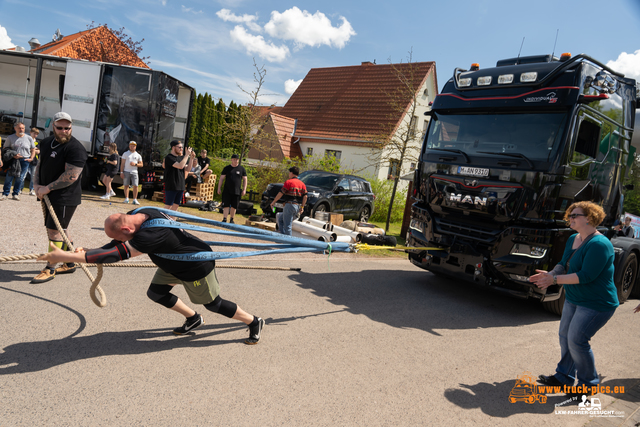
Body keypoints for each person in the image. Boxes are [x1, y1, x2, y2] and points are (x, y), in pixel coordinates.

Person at [37, 207, 265, 344]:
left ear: (127, 229)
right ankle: (193, 318)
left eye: (123, 237)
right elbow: (116, 243)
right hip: (171, 262)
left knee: (214, 305)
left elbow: (117, 254)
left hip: (195, 266)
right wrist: (88, 251)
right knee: (156, 293)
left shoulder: (149, 236)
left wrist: (65, 256)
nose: (122, 239)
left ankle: (254, 321)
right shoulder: (140, 214)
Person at [530, 201, 618, 398]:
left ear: (589, 218)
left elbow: (586, 276)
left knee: (577, 340)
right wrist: (550, 274)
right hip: (574, 298)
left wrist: (553, 279)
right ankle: (564, 377)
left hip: (597, 303)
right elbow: (563, 264)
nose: (570, 218)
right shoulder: (573, 238)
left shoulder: (599, 244)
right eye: (570, 215)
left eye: (574, 215)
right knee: (565, 336)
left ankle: (588, 385)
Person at [31, 112, 88, 283]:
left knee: (54, 231)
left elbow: (71, 176)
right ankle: (70, 262)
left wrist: (47, 188)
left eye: (67, 128)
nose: (64, 131)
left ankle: (51, 268)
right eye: (60, 128)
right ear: (53, 127)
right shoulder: (47, 142)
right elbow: (41, 165)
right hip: (48, 192)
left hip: (64, 196)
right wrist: (36, 185)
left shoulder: (76, 148)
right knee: (62, 229)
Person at [1, 122, 35, 201]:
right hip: (13, 160)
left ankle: (15, 194)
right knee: (9, 177)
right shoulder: (10, 137)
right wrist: (13, 155)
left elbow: (33, 149)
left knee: (20, 178)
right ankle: (5, 194)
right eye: (19, 128)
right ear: (15, 128)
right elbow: (5, 149)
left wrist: (31, 158)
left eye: (22, 128)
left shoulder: (29, 138)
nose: (21, 129)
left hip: (25, 160)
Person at [269, 166, 307, 235]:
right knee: (280, 219)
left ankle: (287, 242)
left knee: (288, 226)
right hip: (297, 207)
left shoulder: (289, 182)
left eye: (289, 173)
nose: (289, 174)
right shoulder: (302, 184)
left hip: (289, 205)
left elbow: (281, 193)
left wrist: (273, 202)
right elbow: (305, 196)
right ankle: (282, 236)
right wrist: (302, 207)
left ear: (291, 173)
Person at [217, 154, 247, 223]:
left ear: (238, 160)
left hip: (236, 191)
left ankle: (231, 219)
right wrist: (219, 188)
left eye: (236, 160)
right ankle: (224, 218)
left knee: (234, 206)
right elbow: (221, 178)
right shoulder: (227, 168)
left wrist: (244, 189)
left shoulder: (241, 169)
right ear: (231, 160)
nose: (235, 161)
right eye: (234, 159)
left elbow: (245, 179)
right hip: (227, 190)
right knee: (226, 205)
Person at [164, 140, 192, 211]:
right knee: (168, 206)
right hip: (172, 185)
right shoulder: (169, 157)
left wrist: (191, 158)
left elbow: (188, 169)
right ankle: (163, 220)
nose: (181, 149)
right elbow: (180, 166)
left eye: (182, 147)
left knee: (176, 206)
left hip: (180, 185)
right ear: (173, 147)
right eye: (179, 147)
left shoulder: (181, 157)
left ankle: (172, 221)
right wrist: (186, 155)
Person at [27, 127, 40, 196]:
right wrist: (34, 149)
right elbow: (26, 149)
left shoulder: (37, 142)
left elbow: (38, 151)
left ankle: (31, 189)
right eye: (34, 133)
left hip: (35, 161)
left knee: (33, 176)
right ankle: (20, 188)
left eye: (36, 134)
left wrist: (33, 149)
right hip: (26, 159)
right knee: (23, 175)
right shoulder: (27, 140)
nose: (35, 135)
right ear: (30, 132)